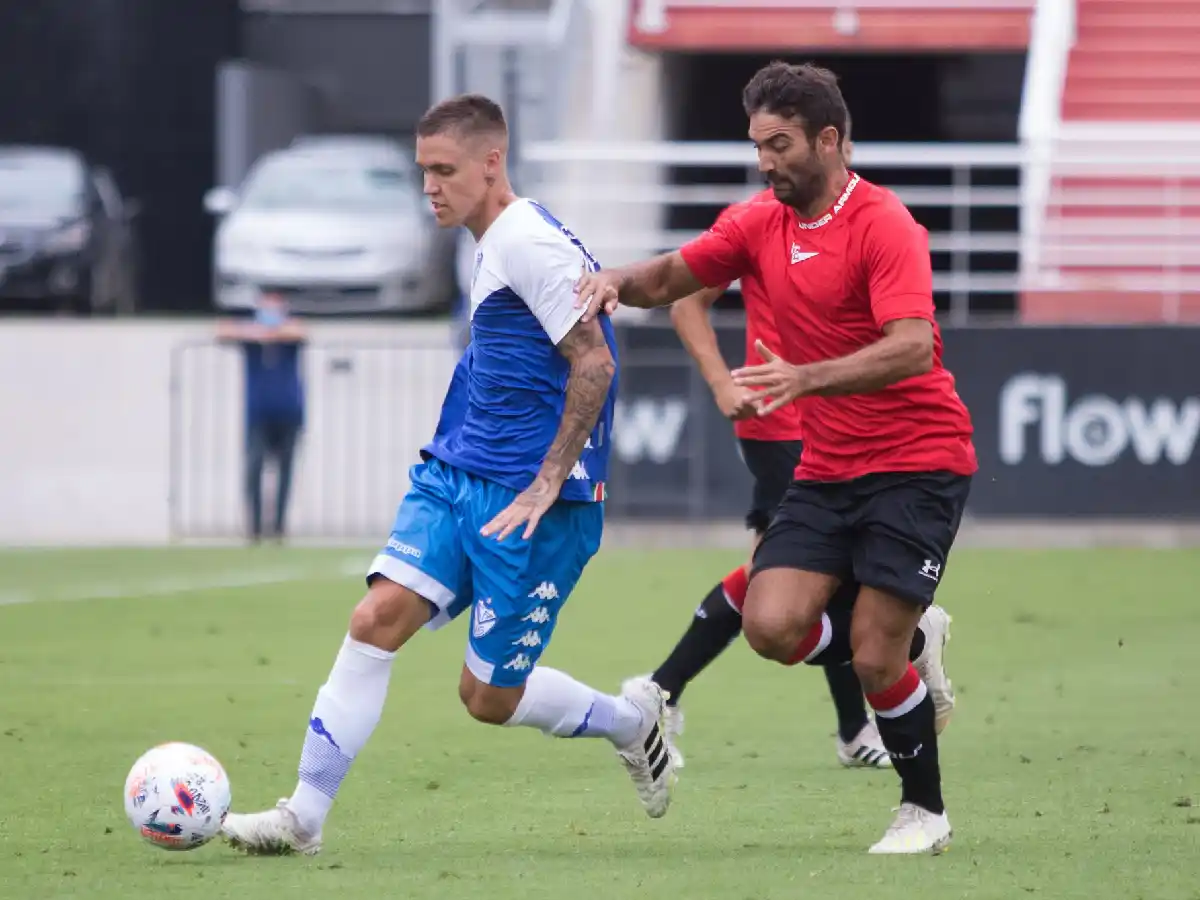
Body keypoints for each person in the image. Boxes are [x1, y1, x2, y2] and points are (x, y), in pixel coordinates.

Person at [220, 94, 676, 857]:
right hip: (457, 475)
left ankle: (634, 722)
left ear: (491, 162)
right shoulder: (489, 237)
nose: (429, 186)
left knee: (487, 699)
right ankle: (302, 818)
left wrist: (547, 479)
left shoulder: (528, 240)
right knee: (374, 621)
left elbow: (594, 363)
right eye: (422, 170)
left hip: (536, 508)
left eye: (445, 170)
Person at [575, 62, 976, 855]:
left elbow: (911, 347)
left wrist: (805, 377)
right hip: (828, 469)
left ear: (829, 140)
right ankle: (913, 647)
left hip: (919, 462)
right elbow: (671, 277)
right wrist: (614, 279)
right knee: (769, 623)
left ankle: (923, 811)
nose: (766, 161)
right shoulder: (757, 223)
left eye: (781, 144)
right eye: (758, 145)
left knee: (870, 654)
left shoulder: (886, 224)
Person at [637, 117, 913, 773]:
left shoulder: (866, 224)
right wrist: (721, 383)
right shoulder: (756, 221)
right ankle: (662, 690)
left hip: (832, 424)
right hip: (779, 425)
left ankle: (666, 691)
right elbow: (682, 301)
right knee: (814, 579)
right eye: (766, 147)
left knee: (803, 580)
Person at [216, 293, 306, 543]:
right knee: (254, 468)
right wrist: (257, 332)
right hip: (257, 415)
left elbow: (299, 331)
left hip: (290, 413)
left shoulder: (289, 336)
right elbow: (222, 330)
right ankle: (254, 529)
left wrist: (270, 332)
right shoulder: (252, 341)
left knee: (285, 472)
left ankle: (278, 528)